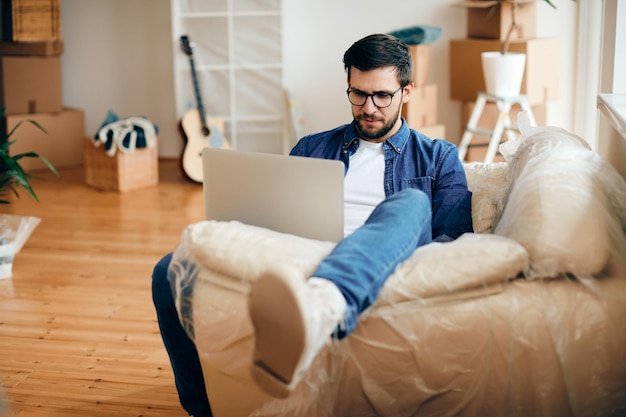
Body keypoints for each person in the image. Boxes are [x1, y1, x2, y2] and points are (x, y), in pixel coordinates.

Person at [152, 33, 472, 416]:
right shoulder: (311, 148)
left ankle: (323, 304)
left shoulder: (438, 157)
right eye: (358, 93)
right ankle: (203, 410)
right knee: (166, 271)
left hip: (384, 263)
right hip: (306, 254)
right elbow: (276, 218)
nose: (369, 108)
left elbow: (453, 240)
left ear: (407, 91)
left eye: (382, 96)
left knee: (413, 202)